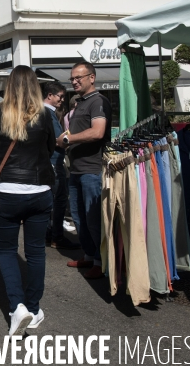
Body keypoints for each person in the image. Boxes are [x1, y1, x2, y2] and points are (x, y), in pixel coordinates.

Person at [0, 65, 55, 335]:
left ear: (9, 85)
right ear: (36, 85)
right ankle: (34, 308)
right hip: (39, 189)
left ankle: (17, 307)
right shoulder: (47, 115)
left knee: (6, 250)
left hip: (6, 190)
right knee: (36, 252)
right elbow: (50, 148)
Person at [56, 61, 112, 280]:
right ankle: (89, 254)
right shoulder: (80, 103)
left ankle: (101, 260)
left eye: (79, 77)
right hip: (77, 168)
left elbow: (98, 132)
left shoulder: (99, 101)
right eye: (72, 78)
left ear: (92, 78)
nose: (75, 81)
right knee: (79, 216)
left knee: (93, 217)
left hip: (92, 169)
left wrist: (68, 138)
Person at [43, 82, 81, 250]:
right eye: (60, 96)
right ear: (49, 95)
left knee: (53, 199)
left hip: (51, 160)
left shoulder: (44, 112)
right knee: (58, 199)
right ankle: (56, 235)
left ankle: (50, 234)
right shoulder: (47, 113)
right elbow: (58, 139)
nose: (62, 100)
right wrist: (69, 138)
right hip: (54, 161)